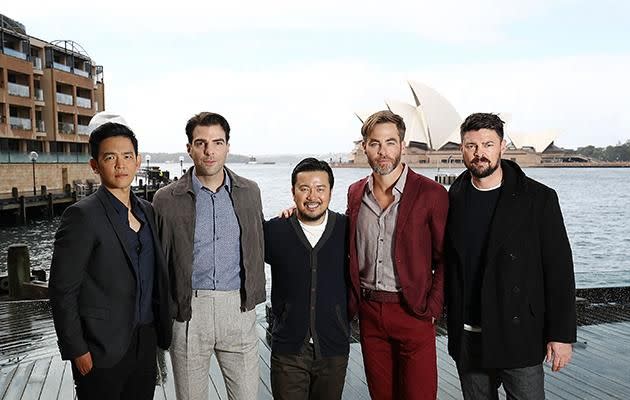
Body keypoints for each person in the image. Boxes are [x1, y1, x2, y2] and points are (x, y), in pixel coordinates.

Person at [445, 113, 576, 399]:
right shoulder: (450, 200)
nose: (480, 153)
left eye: (488, 144)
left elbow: (559, 272)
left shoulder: (539, 199)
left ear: (503, 147)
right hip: (469, 335)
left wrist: (562, 335)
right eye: (471, 146)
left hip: (520, 335)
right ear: (461, 149)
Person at [49, 113, 172, 400]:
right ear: (95, 165)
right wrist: (77, 349)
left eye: (128, 156)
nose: (121, 164)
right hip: (99, 347)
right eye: (110, 157)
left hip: (145, 340)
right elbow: (62, 290)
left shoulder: (148, 211)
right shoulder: (81, 216)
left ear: (138, 161)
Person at [152, 112, 265, 400]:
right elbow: (158, 261)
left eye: (217, 142)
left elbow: (259, 238)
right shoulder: (165, 199)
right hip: (189, 312)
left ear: (228, 146)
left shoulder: (250, 192)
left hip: (239, 309)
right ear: (189, 148)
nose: (209, 151)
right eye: (200, 143)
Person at [346, 110, 449, 399]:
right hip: (369, 314)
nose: (383, 151)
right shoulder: (355, 193)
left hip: (413, 312)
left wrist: (431, 308)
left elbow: (445, 259)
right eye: (375, 143)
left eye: (390, 142)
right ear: (364, 146)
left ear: (402, 146)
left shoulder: (431, 193)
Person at [265, 158, 350, 400]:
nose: (312, 196)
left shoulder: (347, 228)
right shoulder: (275, 231)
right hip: (288, 349)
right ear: (293, 192)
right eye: (304, 189)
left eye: (320, 188)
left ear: (331, 192)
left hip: (332, 347)